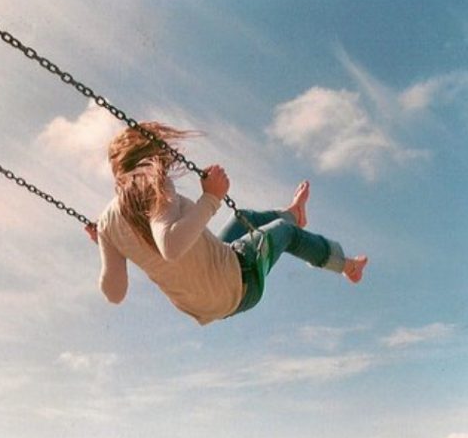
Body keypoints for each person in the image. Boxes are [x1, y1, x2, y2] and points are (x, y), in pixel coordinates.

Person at [84, 122, 368, 325]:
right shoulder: (154, 185)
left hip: (206, 303)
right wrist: (211, 198)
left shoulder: (108, 222)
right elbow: (171, 246)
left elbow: (114, 294)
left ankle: (294, 212)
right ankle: (346, 265)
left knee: (244, 218)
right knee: (285, 234)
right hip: (237, 283)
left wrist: (109, 246)